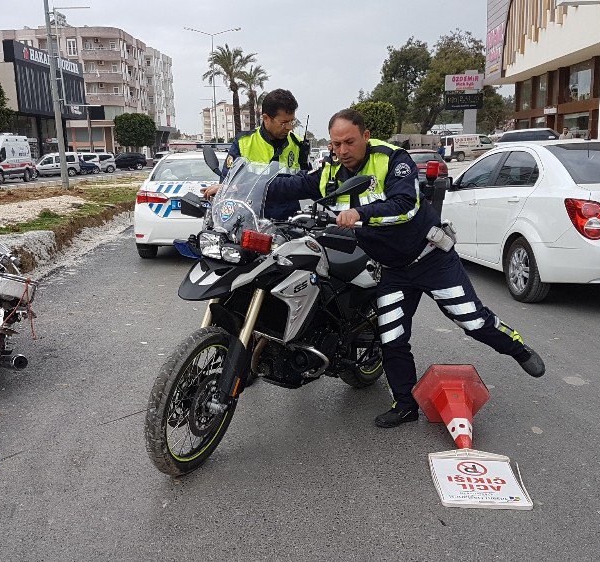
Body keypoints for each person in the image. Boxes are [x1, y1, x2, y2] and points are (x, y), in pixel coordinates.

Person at [209, 109, 545, 428]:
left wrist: (360, 215)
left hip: (430, 258)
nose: (342, 150)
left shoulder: (391, 160)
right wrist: (234, 189)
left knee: (471, 320)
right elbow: (291, 186)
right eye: (336, 143)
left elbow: (405, 205)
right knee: (393, 337)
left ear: (365, 136)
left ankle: (518, 348)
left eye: (349, 142)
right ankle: (405, 405)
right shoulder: (331, 169)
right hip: (392, 268)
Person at [221, 88, 311, 219]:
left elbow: (307, 184)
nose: (289, 127)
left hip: (288, 223)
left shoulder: (299, 145)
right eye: (283, 123)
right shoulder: (243, 143)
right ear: (266, 118)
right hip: (250, 222)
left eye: (292, 122)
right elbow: (227, 184)